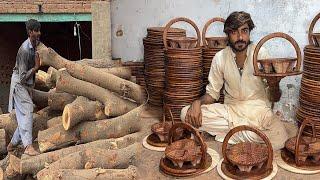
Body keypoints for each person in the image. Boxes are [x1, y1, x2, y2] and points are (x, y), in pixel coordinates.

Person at [181, 11, 288, 150]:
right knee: (185, 114)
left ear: (249, 32)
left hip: (259, 112)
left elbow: (275, 98)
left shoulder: (261, 54)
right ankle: (248, 137)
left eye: (244, 31)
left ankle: (229, 135)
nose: (240, 37)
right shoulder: (220, 57)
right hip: (231, 111)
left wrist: (274, 85)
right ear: (227, 34)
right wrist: (197, 102)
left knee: (281, 137)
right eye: (234, 32)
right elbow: (212, 94)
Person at [7, 19, 41, 156]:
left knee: (24, 115)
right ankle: (28, 146)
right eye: (36, 31)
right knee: (27, 110)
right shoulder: (24, 50)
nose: (39, 33)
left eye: (39, 30)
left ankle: (12, 144)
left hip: (26, 84)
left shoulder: (36, 44)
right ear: (29, 32)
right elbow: (21, 77)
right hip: (19, 84)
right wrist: (36, 68)